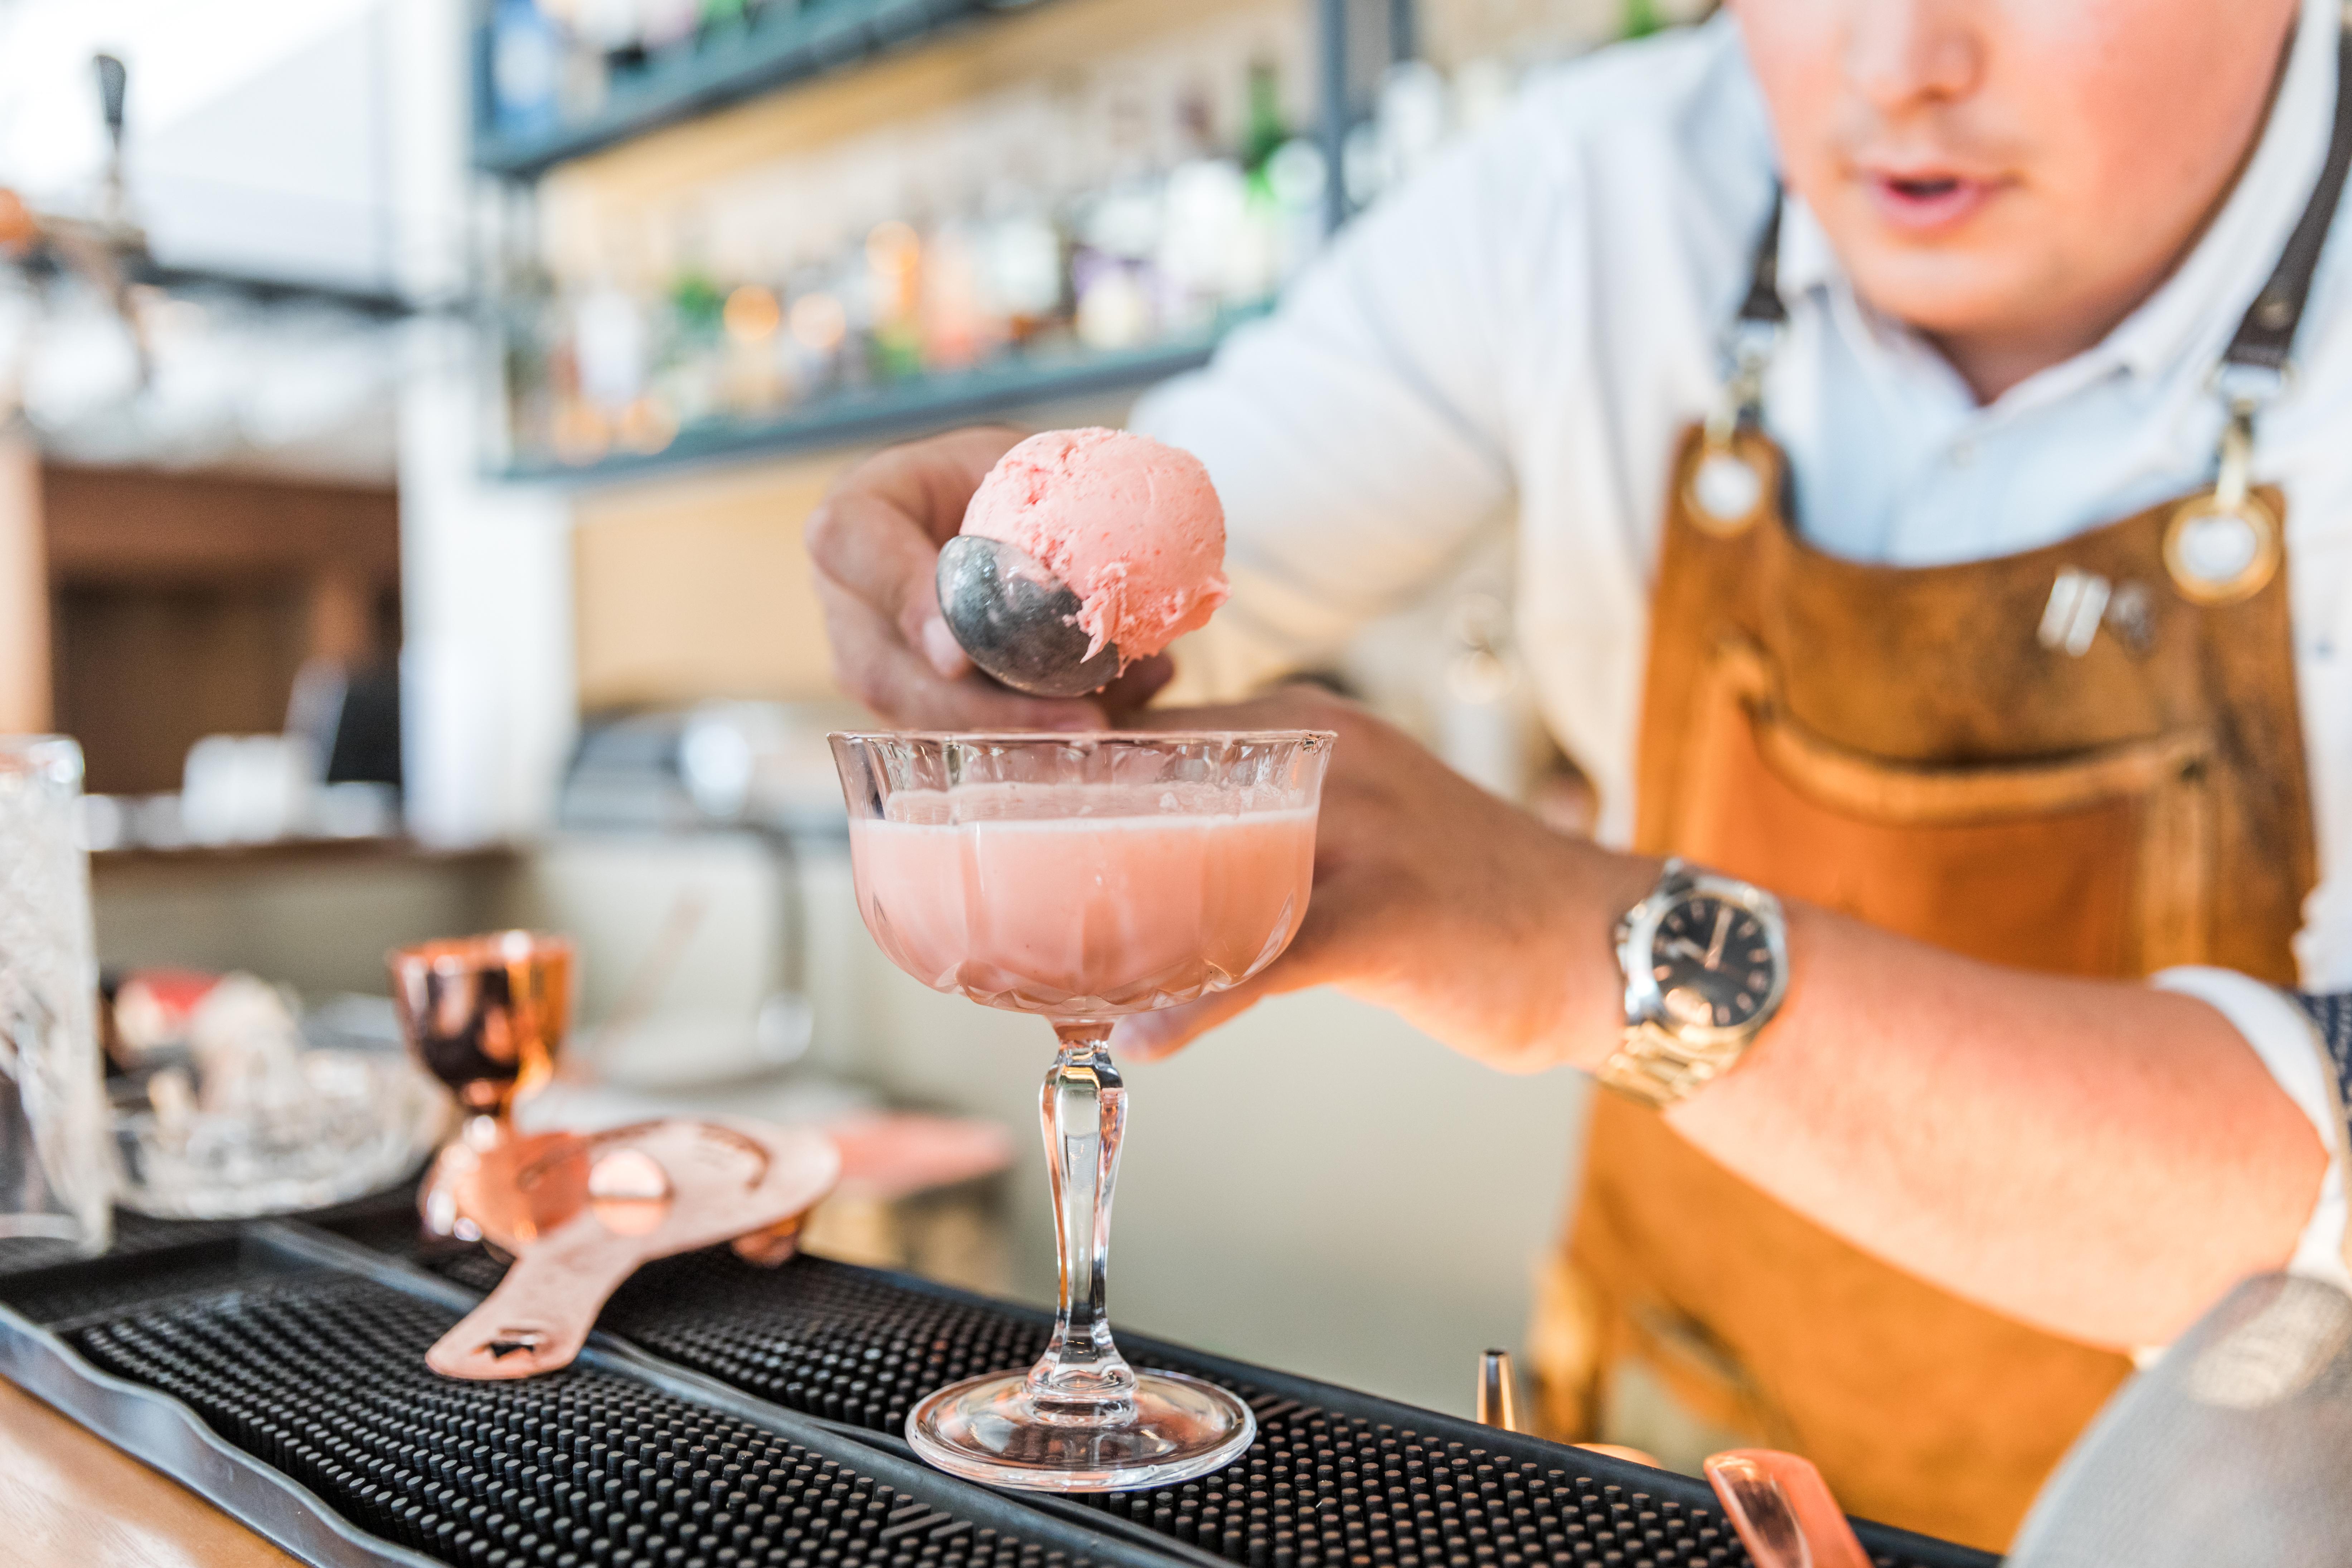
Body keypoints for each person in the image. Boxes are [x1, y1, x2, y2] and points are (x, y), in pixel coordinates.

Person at [804, 0, 2352, 1548]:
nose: (1894, 67)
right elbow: (1193, 576)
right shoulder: (1592, 189)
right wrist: (985, 605)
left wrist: (1597, 947)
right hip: (1680, 1454)